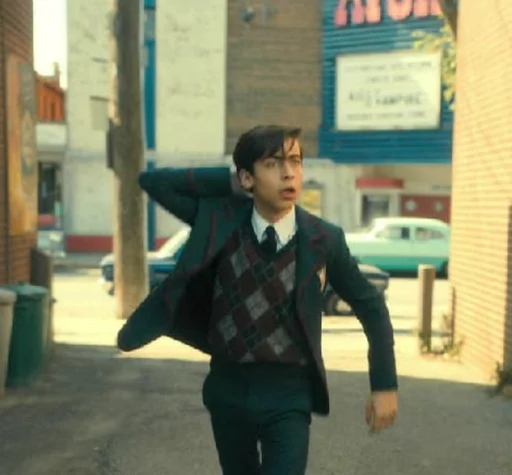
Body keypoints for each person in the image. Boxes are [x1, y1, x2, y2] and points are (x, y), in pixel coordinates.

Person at [117, 125, 398, 475]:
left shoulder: (323, 239)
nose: (288, 172)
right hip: (227, 388)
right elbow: (154, 182)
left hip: (288, 394)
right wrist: (231, 182)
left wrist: (384, 384)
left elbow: (371, 306)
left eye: (295, 161)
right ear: (247, 178)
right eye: (273, 163)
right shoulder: (220, 221)